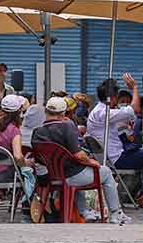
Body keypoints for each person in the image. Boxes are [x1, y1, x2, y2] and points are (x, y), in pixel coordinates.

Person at [31, 95, 129, 224]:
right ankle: (116, 214)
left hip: (53, 177)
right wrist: (91, 161)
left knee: (75, 173)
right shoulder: (67, 126)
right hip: (72, 176)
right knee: (105, 172)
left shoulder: (37, 132)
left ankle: (86, 212)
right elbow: (78, 155)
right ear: (63, 113)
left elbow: (38, 159)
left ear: (46, 112)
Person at [86, 73, 140, 156]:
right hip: (116, 156)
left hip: (114, 150)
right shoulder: (104, 112)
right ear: (112, 97)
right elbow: (135, 109)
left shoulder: (99, 110)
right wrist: (135, 88)